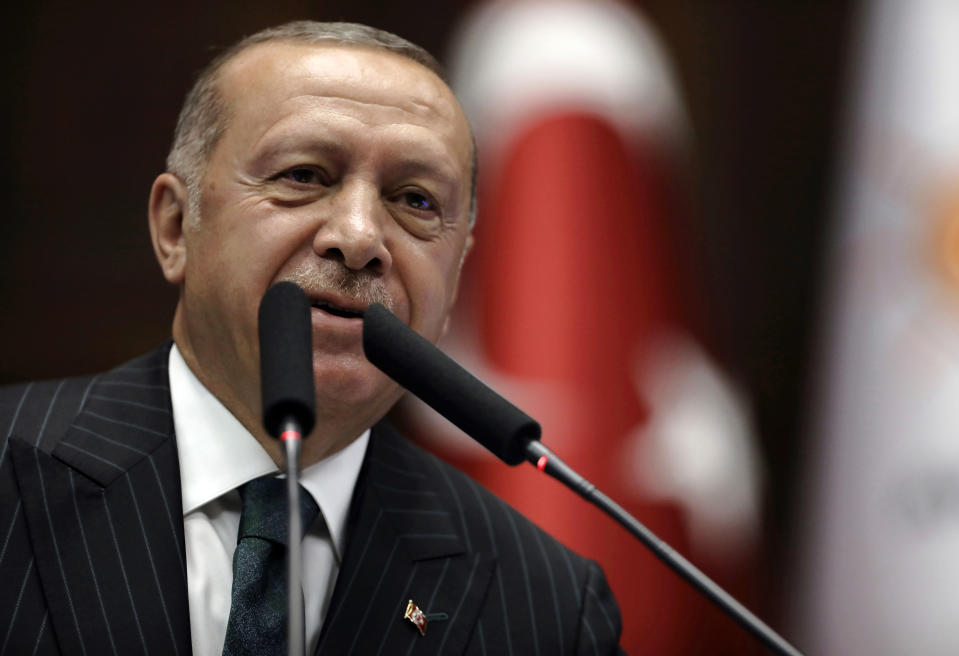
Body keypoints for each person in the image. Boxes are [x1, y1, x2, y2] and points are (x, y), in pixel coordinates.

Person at [0, 21, 623, 655]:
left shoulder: (549, 605)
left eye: (414, 199)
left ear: (457, 273)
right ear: (175, 226)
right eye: (303, 175)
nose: (358, 239)